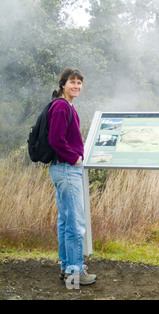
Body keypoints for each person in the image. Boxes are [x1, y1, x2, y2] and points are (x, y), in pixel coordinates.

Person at [47, 68, 97, 286]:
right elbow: (55, 139)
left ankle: (67, 268)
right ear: (63, 84)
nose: (76, 86)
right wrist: (74, 158)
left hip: (63, 169)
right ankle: (75, 272)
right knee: (75, 222)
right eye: (72, 82)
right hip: (67, 169)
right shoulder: (60, 106)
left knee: (66, 221)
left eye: (79, 83)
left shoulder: (63, 106)